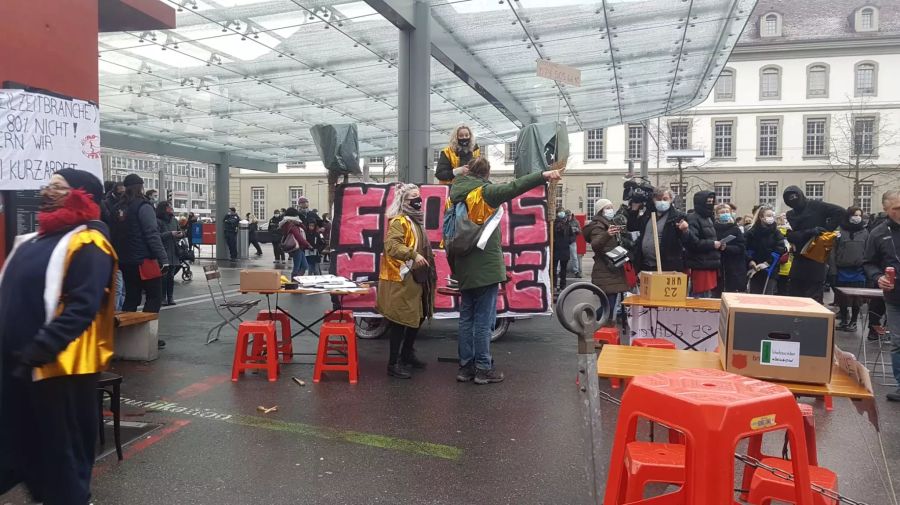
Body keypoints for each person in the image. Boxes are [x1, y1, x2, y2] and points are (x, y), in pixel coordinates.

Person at [0, 169, 116, 504]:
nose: (48, 190)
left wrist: (41, 347)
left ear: (83, 196)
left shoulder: (89, 242)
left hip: (57, 371)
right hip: (16, 364)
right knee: (16, 443)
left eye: (59, 186)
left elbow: (83, 306)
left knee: (58, 457)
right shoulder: (31, 241)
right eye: (47, 185)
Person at [449, 157, 562, 384]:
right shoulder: (485, 193)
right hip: (485, 267)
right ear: (486, 174)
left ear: (467, 171)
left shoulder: (454, 196)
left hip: (462, 265)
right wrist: (543, 175)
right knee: (483, 320)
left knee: (466, 318)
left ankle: (465, 368)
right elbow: (514, 187)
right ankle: (483, 368)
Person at [375, 183, 436, 378]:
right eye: (414, 198)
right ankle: (393, 364)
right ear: (404, 201)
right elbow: (392, 246)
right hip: (401, 279)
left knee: (416, 317)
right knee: (400, 321)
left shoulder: (415, 221)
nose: (419, 201)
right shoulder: (399, 222)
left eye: (419, 196)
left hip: (415, 278)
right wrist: (413, 254)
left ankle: (407, 354)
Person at [862, 189, 900, 401]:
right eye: (896, 208)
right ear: (886, 210)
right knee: (898, 341)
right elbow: (868, 262)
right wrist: (878, 277)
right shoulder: (878, 233)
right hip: (895, 296)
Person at [115, 174, 169, 320]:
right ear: (141, 187)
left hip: (125, 261)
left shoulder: (119, 207)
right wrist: (163, 259)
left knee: (131, 298)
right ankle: (147, 335)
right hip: (144, 261)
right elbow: (152, 234)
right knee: (154, 296)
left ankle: (127, 334)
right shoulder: (143, 206)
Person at [782, 186, 846, 303]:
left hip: (816, 254)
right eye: (789, 198)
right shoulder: (790, 214)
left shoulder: (816, 206)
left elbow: (840, 211)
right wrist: (810, 232)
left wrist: (826, 231)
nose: (793, 199)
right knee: (795, 291)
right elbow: (791, 235)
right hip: (799, 255)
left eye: (795, 196)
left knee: (814, 292)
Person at [583, 199, 629, 323]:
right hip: (605, 270)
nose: (610, 210)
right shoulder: (598, 226)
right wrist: (607, 234)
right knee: (608, 305)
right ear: (600, 211)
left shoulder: (610, 223)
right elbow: (595, 244)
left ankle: (594, 324)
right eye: (607, 208)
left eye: (611, 207)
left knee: (609, 304)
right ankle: (590, 322)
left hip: (612, 269)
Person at [626, 188, 690, 273]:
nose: (662, 202)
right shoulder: (648, 215)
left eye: (665, 199)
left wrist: (685, 230)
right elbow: (632, 227)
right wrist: (634, 210)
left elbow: (686, 241)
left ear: (671, 200)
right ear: (654, 199)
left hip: (667, 267)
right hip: (646, 265)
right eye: (659, 199)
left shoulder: (678, 217)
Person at [831, 206, 869, 332]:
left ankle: (854, 321)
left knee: (857, 298)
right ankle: (844, 319)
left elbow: (868, 251)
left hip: (858, 270)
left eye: (859, 215)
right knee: (842, 296)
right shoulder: (840, 231)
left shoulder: (865, 232)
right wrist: (833, 270)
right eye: (854, 215)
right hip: (842, 268)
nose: (857, 217)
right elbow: (833, 250)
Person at [683, 191, 721, 297]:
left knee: (707, 296)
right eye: (708, 202)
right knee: (700, 297)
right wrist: (712, 244)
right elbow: (693, 242)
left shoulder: (708, 218)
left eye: (712, 202)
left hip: (709, 264)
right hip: (699, 265)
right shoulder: (693, 218)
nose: (710, 204)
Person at [744, 205, 787, 295]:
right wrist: (750, 261)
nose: (771, 218)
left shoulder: (776, 232)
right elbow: (746, 248)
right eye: (768, 215)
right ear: (761, 217)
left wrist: (767, 263)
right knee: (754, 295)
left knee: (768, 294)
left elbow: (779, 249)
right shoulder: (751, 232)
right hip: (755, 269)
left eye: (772, 215)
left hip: (770, 269)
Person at [713, 203, 747, 294]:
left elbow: (741, 247)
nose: (725, 214)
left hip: (734, 266)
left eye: (727, 212)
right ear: (717, 215)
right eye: (722, 212)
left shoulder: (735, 229)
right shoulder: (713, 228)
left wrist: (727, 248)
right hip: (718, 264)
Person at [157, 201, 183, 306]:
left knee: (171, 277)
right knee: (163, 277)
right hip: (163, 251)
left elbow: (180, 231)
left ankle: (170, 297)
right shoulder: (158, 221)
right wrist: (170, 234)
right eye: (168, 207)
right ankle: (163, 298)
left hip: (174, 251)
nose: (171, 208)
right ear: (163, 209)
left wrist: (181, 234)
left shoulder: (174, 220)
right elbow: (157, 236)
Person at [279, 208, 311, 279]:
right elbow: (299, 237)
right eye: (296, 216)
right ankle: (294, 282)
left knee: (304, 266)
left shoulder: (289, 224)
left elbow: (303, 229)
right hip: (296, 248)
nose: (298, 217)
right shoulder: (291, 226)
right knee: (297, 267)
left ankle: (296, 280)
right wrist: (308, 245)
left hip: (298, 247)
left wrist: (299, 223)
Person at [553, 211, 575, 293]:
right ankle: (554, 285)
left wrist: (568, 241)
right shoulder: (554, 225)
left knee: (563, 269)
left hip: (564, 249)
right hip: (556, 249)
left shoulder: (567, 225)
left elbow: (572, 236)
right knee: (554, 269)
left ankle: (562, 285)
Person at [775, 213, 793, 296]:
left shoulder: (791, 231)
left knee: (782, 289)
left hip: (785, 264)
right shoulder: (778, 231)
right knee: (782, 289)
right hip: (783, 265)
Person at [566, 210, 582, 278]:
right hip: (565, 241)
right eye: (567, 215)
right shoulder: (564, 221)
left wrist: (576, 230)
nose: (568, 217)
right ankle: (560, 271)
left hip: (572, 241)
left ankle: (576, 271)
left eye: (569, 215)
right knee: (563, 257)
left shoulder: (575, 221)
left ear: (571, 215)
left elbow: (580, 231)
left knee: (574, 257)